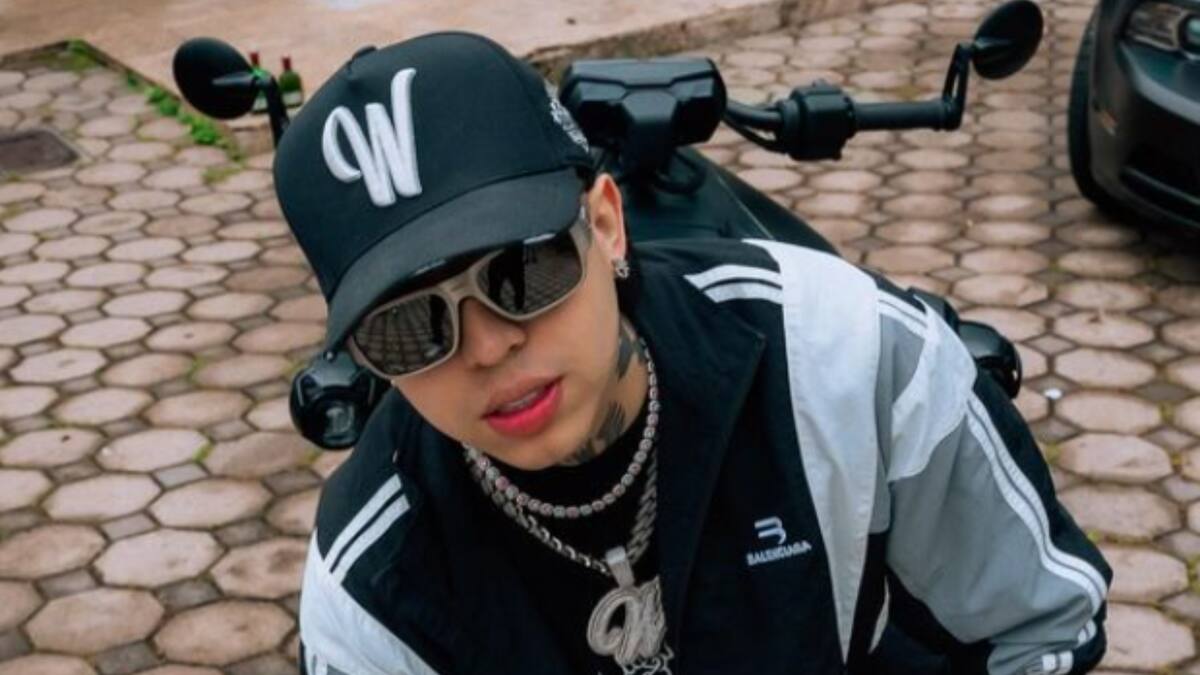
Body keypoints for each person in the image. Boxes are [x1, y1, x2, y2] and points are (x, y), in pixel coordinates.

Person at [274, 31, 1111, 675]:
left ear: (606, 223)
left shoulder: (850, 356)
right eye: (410, 327)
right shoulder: (369, 589)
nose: (489, 345)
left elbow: (1042, 622)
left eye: (524, 269)